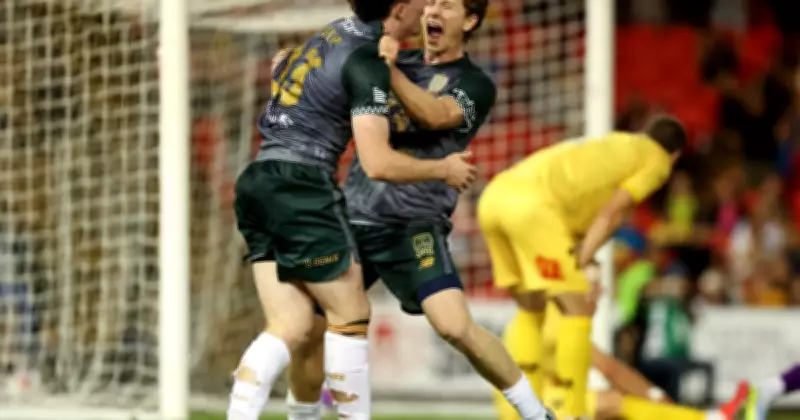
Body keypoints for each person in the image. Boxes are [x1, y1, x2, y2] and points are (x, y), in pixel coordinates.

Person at [283, 0, 553, 419]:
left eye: (448, 5)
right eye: (431, 3)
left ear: (470, 20)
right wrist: (297, 64)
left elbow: (436, 114)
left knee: (454, 326)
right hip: (354, 218)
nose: (434, 12)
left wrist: (387, 71)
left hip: (413, 226)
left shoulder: (474, 83)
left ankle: (536, 413)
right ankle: (302, 415)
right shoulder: (389, 58)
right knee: (307, 328)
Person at [227, 0, 478, 418]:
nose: (428, 8)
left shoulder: (330, 32)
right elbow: (377, 164)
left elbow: (286, 68)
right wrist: (442, 169)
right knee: (351, 313)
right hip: (301, 185)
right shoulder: (366, 60)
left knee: (292, 325)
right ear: (400, 8)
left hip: (258, 179)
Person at [478, 117, 687, 419]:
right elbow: (612, 213)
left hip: (495, 197)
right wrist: (584, 257)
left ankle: (520, 413)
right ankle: (571, 412)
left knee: (530, 310)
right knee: (577, 309)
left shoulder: (617, 142)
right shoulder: (657, 160)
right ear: (675, 155)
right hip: (532, 208)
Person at [495, 285, 747, 420]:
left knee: (609, 405)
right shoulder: (558, 320)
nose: (600, 292)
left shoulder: (548, 314)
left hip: (536, 398)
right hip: (529, 407)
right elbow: (609, 369)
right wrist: (655, 396)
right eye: (594, 286)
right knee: (611, 403)